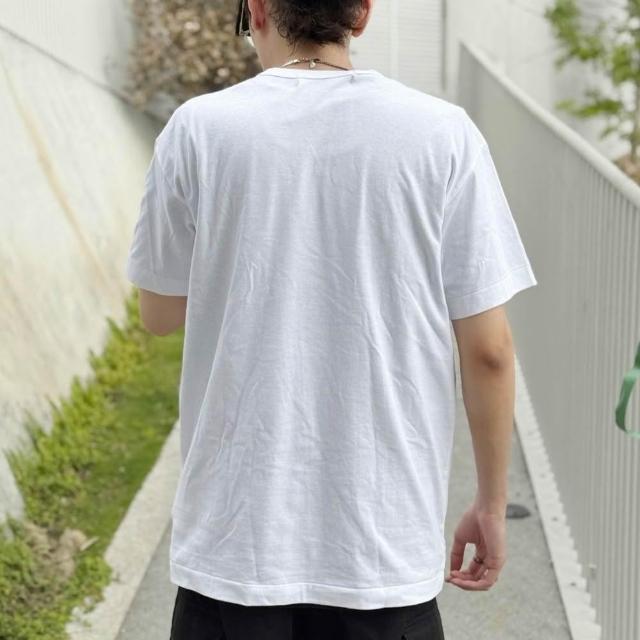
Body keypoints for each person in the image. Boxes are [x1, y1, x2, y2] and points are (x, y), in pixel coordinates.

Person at [125, 0, 538, 637]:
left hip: (235, 552)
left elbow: (158, 313)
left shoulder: (199, 128)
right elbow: (489, 351)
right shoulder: (444, 134)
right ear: (362, 15)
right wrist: (490, 501)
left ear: (258, 10)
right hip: (383, 553)